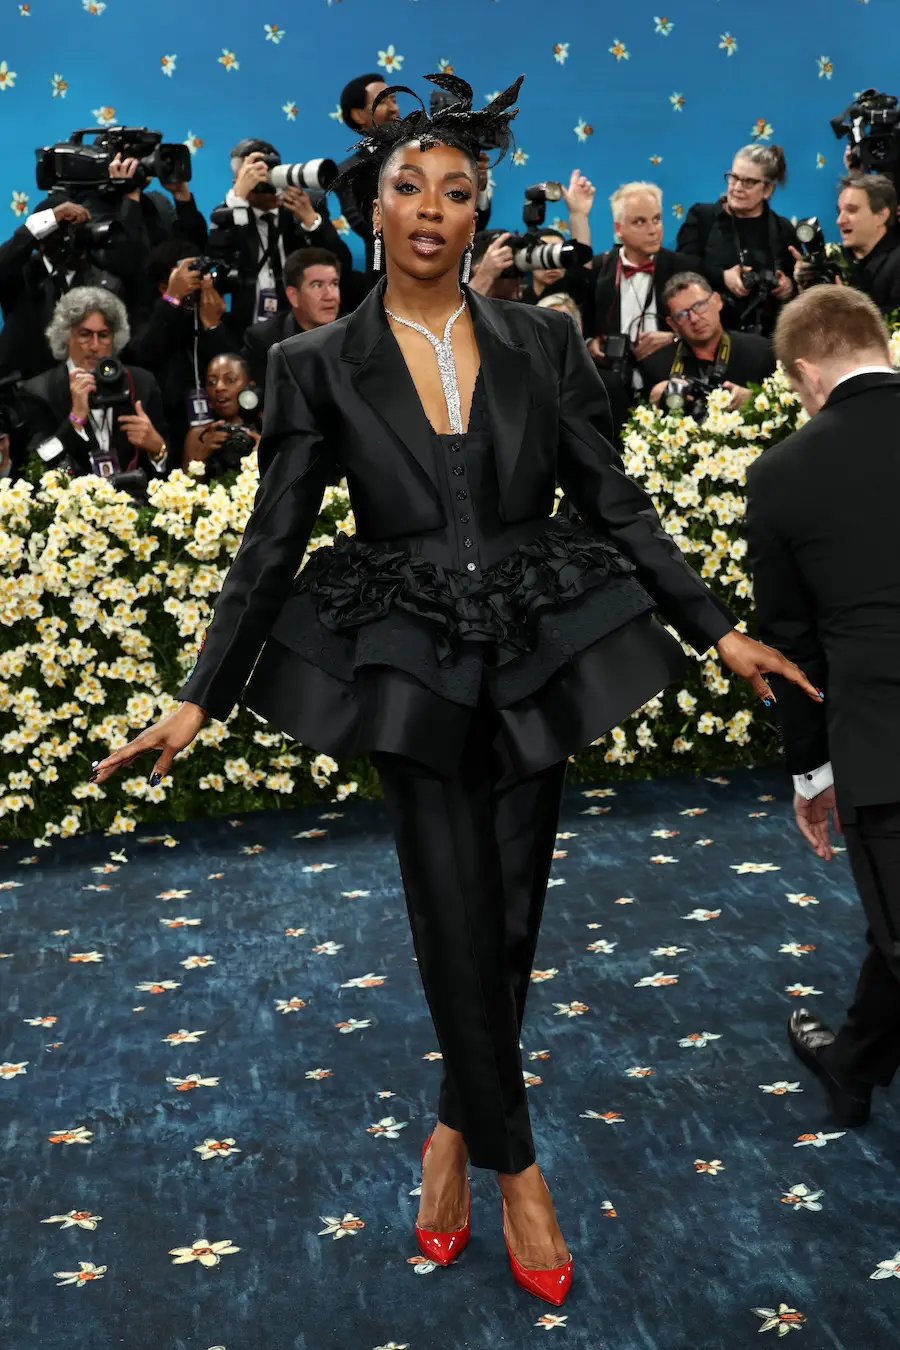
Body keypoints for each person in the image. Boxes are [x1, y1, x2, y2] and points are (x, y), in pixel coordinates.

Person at [88, 73, 819, 1308]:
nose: (432, 208)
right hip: (407, 652)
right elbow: (273, 540)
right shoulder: (315, 361)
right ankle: (517, 1171)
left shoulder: (542, 341)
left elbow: (611, 496)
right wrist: (202, 692)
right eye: (409, 187)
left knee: (513, 916)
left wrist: (716, 628)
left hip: (538, 640)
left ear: (480, 210)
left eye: (457, 191)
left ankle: (450, 1132)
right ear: (373, 206)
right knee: (449, 905)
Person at [745, 284, 900, 1129]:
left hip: (884, 740)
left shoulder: (783, 473)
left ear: (806, 371)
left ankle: (850, 1067)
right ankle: (852, 1065)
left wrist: (811, 773)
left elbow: (790, 649)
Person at [335, 72, 493, 276]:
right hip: (389, 282)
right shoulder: (349, 170)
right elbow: (366, 226)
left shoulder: (427, 152)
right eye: (382, 102)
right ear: (358, 115)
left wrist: (476, 188)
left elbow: (474, 225)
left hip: (448, 280)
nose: (394, 109)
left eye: (394, 100)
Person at [576, 181, 704, 433]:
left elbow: (713, 325)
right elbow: (577, 319)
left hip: (671, 381)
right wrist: (590, 344)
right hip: (611, 386)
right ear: (618, 229)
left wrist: (675, 337)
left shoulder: (685, 267)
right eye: (640, 222)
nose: (653, 230)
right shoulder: (599, 268)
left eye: (656, 219)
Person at [22, 286, 169, 480]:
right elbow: (36, 465)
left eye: (104, 335)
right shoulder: (40, 392)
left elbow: (167, 467)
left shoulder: (142, 384)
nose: (95, 346)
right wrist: (75, 421)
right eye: (85, 334)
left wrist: (157, 450)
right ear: (66, 336)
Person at [212, 139, 352, 333]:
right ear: (238, 181)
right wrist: (237, 202)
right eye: (253, 173)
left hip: (300, 327)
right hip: (248, 327)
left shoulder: (305, 205)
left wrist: (311, 221)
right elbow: (218, 267)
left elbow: (342, 264)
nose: (265, 180)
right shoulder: (227, 215)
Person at [124, 240, 237, 457]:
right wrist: (172, 299)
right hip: (166, 430)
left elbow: (236, 373)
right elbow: (143, 355)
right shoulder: (145, 318)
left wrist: (213, 327)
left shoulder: (215, 311)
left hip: (218, 429)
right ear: (163, 287)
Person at [677, 144, 798, 337]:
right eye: (734, 177)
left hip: (769, 339)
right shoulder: (701, 218)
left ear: (768, 189)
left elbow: (798, 283)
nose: (737, 188)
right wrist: (721, 276)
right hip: (710, 336)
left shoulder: (783, 230)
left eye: (748, 182)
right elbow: (680, 273)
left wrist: (789, 287)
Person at [0, 199, 126, 381]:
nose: (69, 237)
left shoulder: (105, 283)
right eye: (62, 229)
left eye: (76, 229)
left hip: (85, 384)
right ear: (41, 238)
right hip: (23, 386)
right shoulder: (20, 273)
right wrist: (51, 217)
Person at [640, 272, 775, 411]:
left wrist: (754, 400)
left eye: (700, 305)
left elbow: (784, 405)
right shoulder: (656, 367)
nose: (694, 319)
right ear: (672, 324)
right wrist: (655, 404)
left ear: (717, 301)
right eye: (682, 315)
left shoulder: (761, 351)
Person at [793, 174, 900, 317]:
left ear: (881, 216)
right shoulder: (832, 259)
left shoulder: (896, 262)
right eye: (839, 211)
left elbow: (893, 323)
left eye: (851, 210)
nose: (840, 220)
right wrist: (805, 289)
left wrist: (848, 308)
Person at [242, 248, 341, 388]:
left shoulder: (356, 335)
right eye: (317, 285)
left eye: (334, 284)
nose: (330, 296)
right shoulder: (264, 342)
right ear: (293, 296)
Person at [518, 170, 596, 305]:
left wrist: (578, 214)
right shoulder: (516, 300)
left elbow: (582, 260)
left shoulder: (574, 295)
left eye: (558, 256)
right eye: (546, 252)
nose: (552, 265)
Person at [182, 353, 260, 477]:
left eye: (230, 380)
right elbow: (186, 486)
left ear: (250, 386)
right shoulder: (199, 436)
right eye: (211, 382)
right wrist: (200, 459)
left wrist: (263, 457)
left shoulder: (269, 429)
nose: (219, 387)